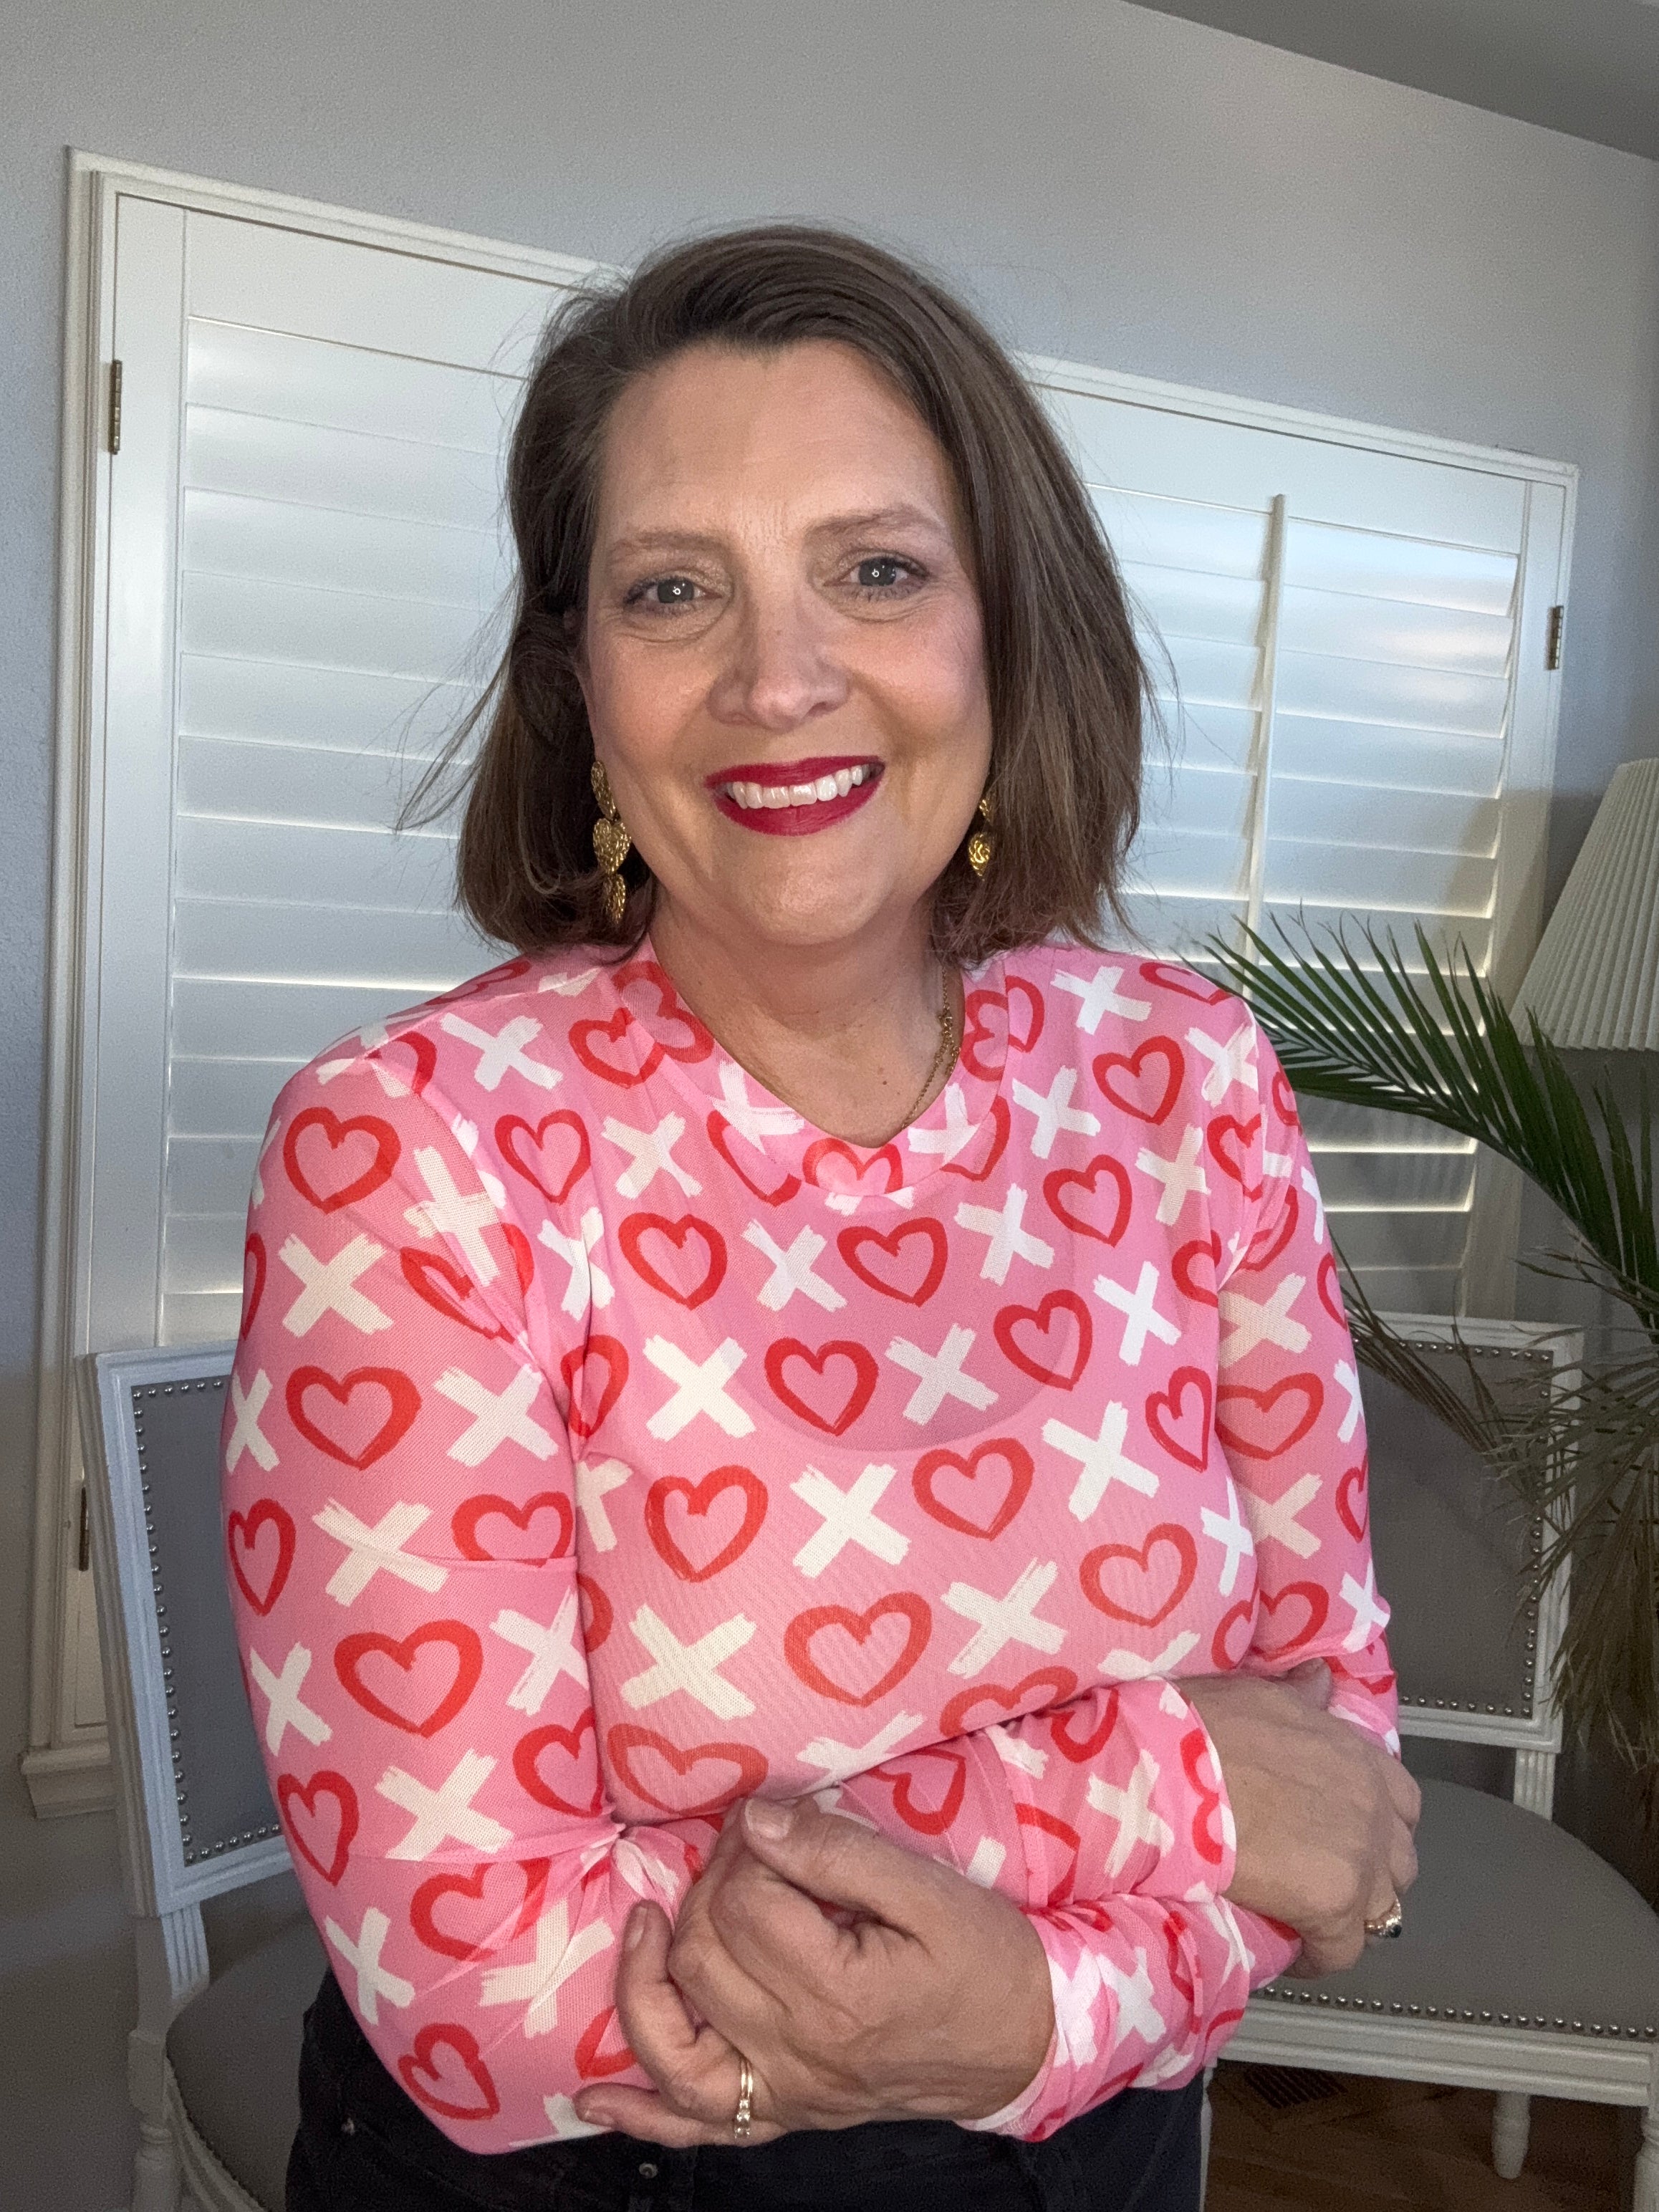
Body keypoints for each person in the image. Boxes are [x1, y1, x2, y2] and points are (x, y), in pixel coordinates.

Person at [223, 225, 1419, 2212]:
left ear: (1003, 628)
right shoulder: (414, 1147)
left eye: (875, 570)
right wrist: (1174, 1784)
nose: (777, 680)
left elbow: (1345, 1794)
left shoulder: (1189, 1077)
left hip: (1111, 2150)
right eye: (673, 590)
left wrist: (1042, 2022)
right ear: (578, 682)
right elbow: (480, 1993)